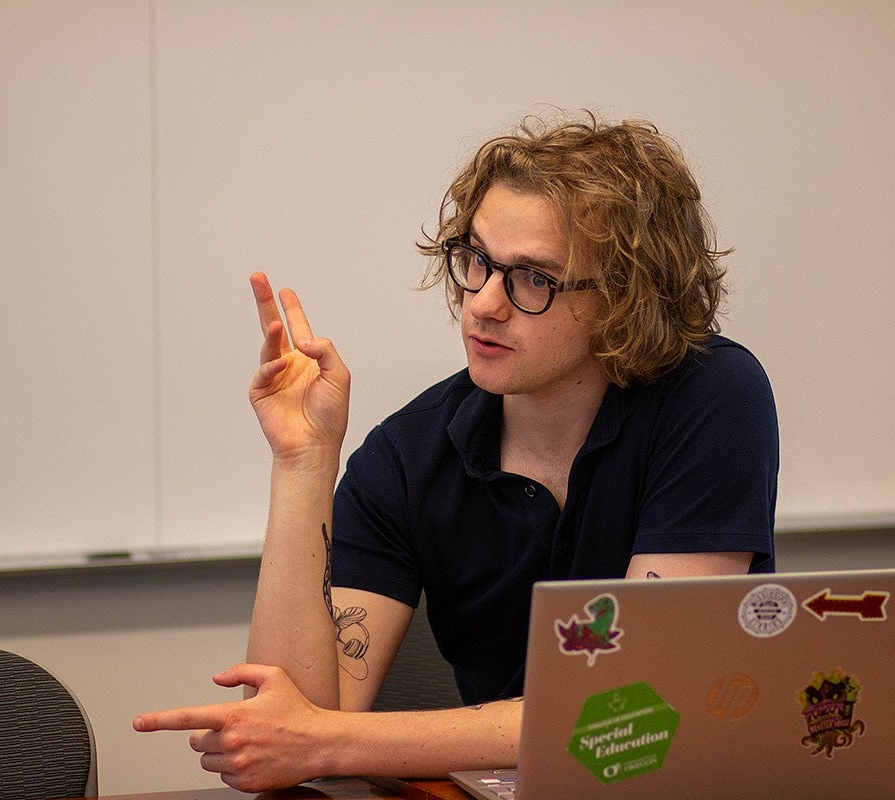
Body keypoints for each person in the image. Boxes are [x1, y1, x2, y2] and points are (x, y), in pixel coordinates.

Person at [133, 111, 778, 792]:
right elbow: (289, 723)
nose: (483, 305)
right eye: (477, 261)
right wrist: (303, 464)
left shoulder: (712, 396)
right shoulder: (409, 455)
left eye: (534, 278)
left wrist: (327, 741)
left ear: (626, 297)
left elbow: (644, 706)